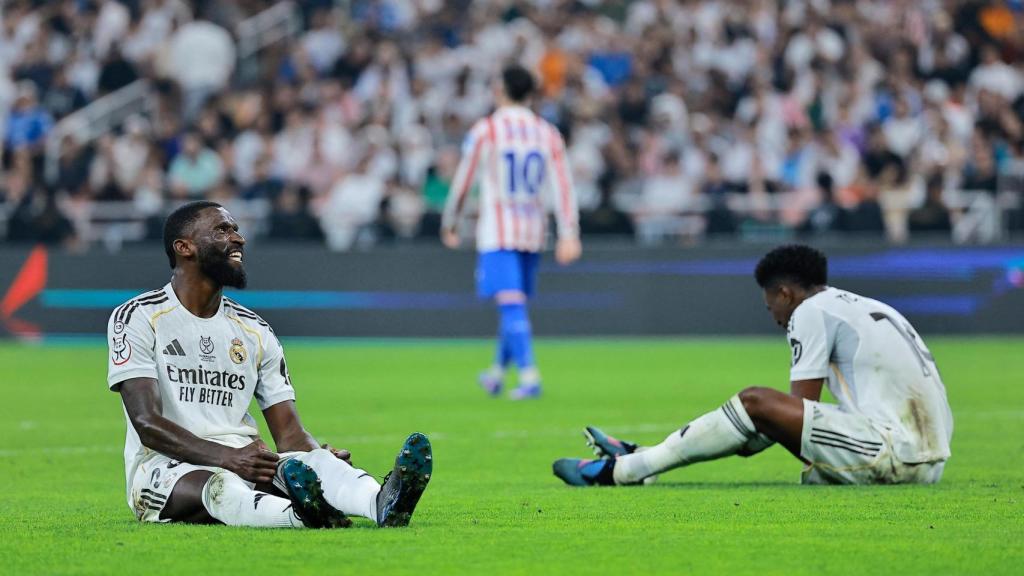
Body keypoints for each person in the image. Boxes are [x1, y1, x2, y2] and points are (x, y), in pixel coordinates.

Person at [107, 201, 432, 528]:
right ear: (184, 247)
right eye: (222, 229)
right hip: (164, 470)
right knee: (223, 487)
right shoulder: (139, 317)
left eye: (235, 229)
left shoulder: (255, 330)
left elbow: (289, 434)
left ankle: (381, 502)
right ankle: (302, 516)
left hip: (248, 461)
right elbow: (146, 423)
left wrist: (317, 455)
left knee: (317, 462)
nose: (238, 239)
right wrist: (228, 459)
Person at [553, 244, 953, 486]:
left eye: (771, 307)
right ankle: (645, 459)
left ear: (785, 293)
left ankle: (622, 472)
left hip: (896, 455)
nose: (776, 318)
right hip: (928, 460)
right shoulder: (862, 305)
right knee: (756, 414)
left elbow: (800, 414)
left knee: (756, 402)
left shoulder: (810, 311)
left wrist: (752, 426)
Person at [441, 64, 581, 400]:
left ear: (500, 90)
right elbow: (563, 187)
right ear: (531, 93)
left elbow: (464, 180)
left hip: (498, 231)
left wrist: (451, 221)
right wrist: (569, 232)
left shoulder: (486, 130)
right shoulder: (547, 132)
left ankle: (530, 376)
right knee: (513, 301)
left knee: (511, 304)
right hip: (533, 230)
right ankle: (496, 373)